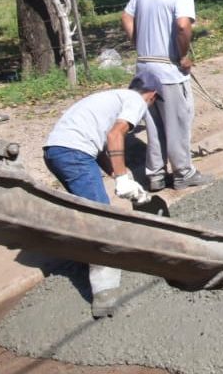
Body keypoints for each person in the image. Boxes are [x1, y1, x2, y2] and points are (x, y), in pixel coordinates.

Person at [42, 71, 158, 318]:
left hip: (54, 151)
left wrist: (122, 176)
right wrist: (124, 179)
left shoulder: (110, 97)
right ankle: (104, 293)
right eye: (153, 102)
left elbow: (103, 149)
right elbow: (115, 135)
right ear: (152, 96)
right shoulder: (136, 101)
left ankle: (82, 252)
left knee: (88, 210)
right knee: (100, 219)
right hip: (74, 153)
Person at [121, 0, 213, 192]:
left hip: (144, 68)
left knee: (153, 125)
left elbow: (126, 17)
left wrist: (138, 43)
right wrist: (182, 57)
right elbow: (183, 26)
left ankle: (156, 176)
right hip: (169, 70)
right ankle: (183, 173)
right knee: (177, 123)